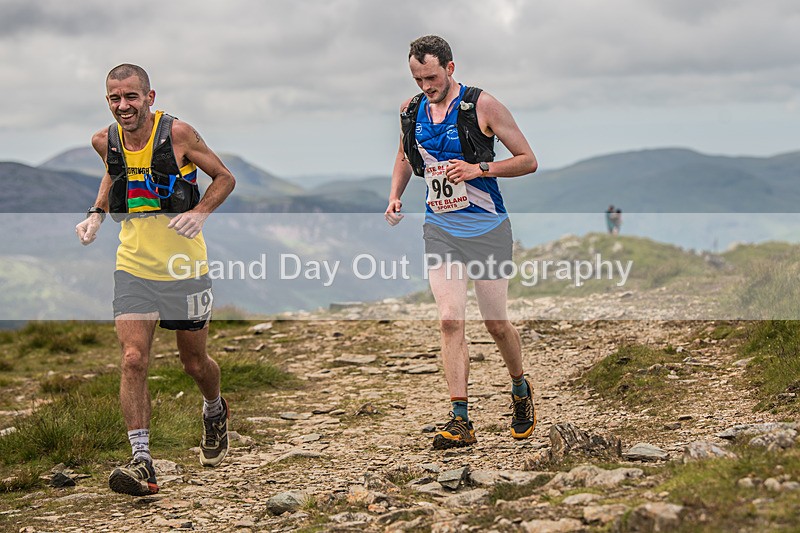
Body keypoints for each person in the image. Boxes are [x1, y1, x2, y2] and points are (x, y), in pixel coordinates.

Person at [75, 64, 236, 496]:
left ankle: (214, 409)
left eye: (131, 96)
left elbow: (225, 177)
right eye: (114, 98)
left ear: (149, 96)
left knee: (194, 364)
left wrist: (199, 213)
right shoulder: (103, 140)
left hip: (184, 269)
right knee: (132, 358)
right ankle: (142, 461)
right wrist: (95, 213)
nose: (123, 106)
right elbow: (114, 171)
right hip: (133, 267)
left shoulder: (179, 134)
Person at [385, 36, 538, 449]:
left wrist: (478, 169)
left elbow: (528, 160)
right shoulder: (411, 110)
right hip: (441, 228)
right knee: (450, 319)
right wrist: (395, 194)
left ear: (450, 68)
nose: (425, 86)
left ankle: (520, 388)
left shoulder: (482, 105)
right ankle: (460, 418)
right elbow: (404, 155)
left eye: (432, 77)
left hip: (487, 227)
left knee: (495, 323)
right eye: (418, 78)